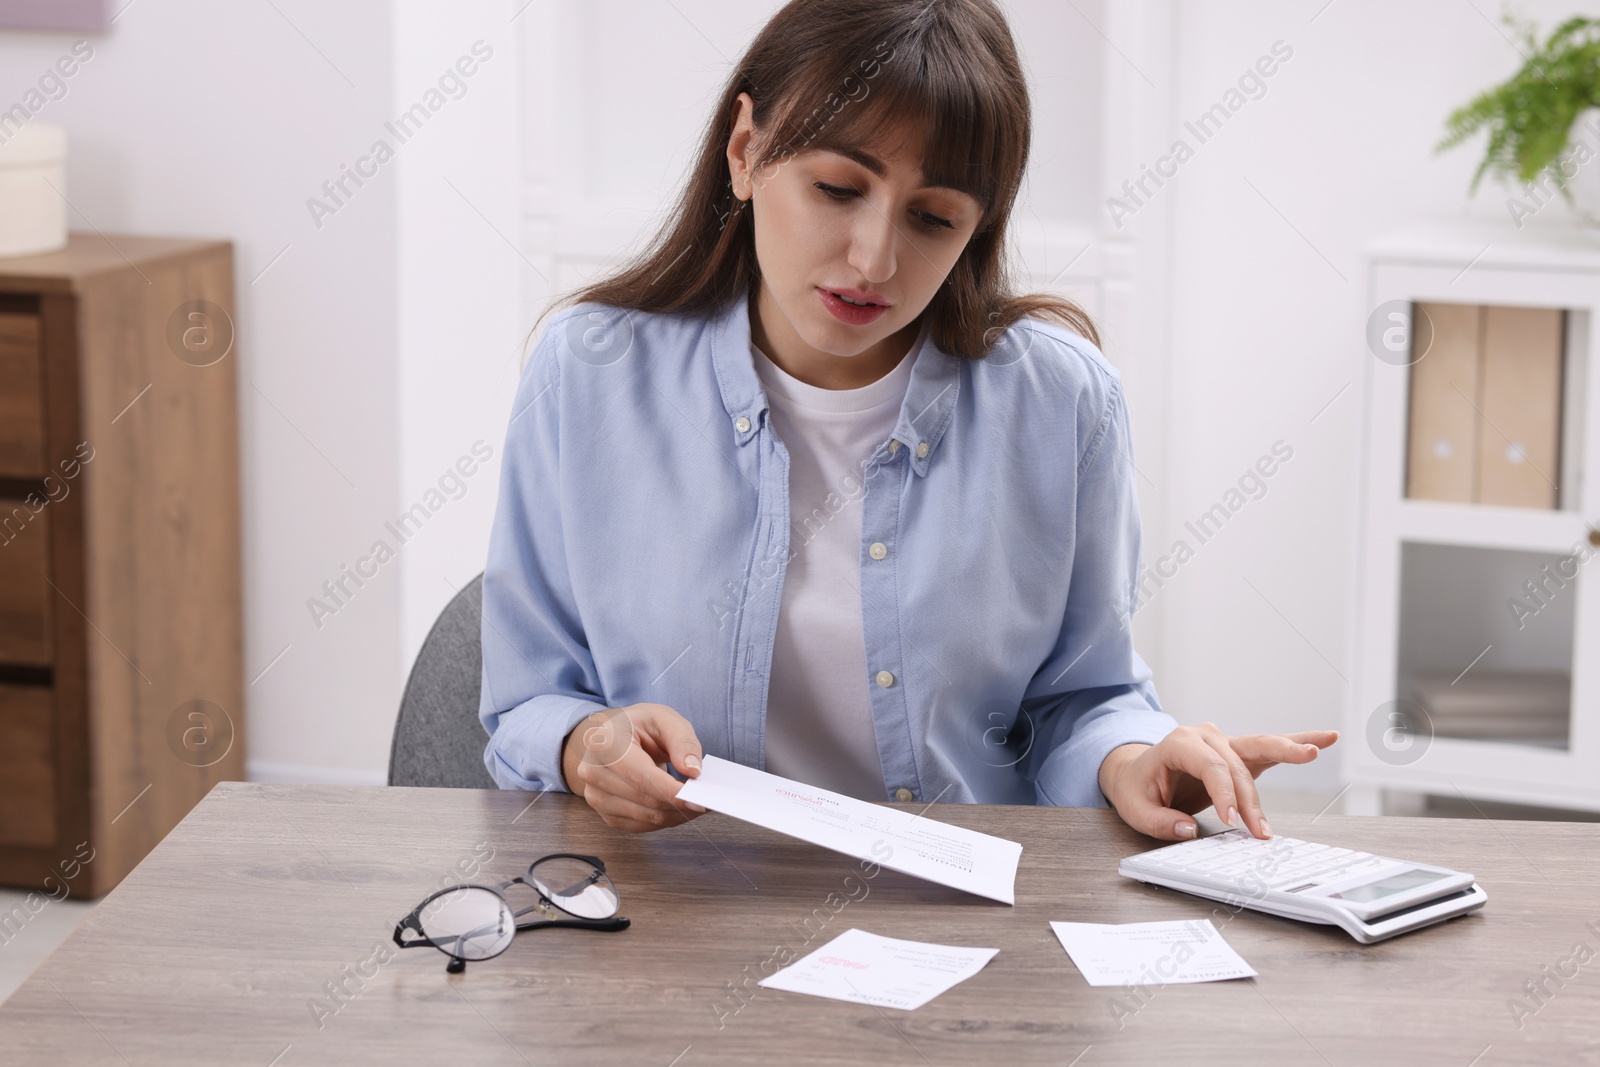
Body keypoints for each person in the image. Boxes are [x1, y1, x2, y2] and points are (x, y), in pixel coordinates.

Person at [479, 0, 1337, 841]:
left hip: (957, 925)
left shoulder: (1062, 403)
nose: (875, 258)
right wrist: (584, 744)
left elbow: (1083, 699)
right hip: (674, 913)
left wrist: (1132, 758)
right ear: (745, 153)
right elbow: (527, 697)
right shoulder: (588, 372)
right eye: (836, 188)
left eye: (933, 218)